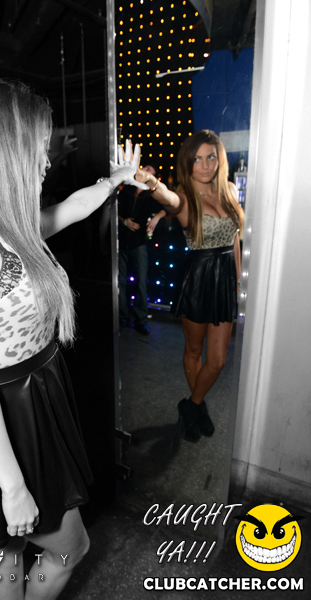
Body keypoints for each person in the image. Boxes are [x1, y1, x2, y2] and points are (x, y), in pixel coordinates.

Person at [0, 77, 148, 600]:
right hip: (3, 411)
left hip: (37, 395)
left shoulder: (4, 218)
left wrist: (115, 181)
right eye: (38, 147)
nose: (46, 160)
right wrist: (13, 485)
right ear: (0, 147)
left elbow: (72, 208)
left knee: (7, 550)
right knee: (67, 548)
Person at [134, 130, 244, 442]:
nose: (205, 165)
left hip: (224, 283)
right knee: (194, 350)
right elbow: (167, 197)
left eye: (211, 157)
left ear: (220, 160)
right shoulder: (184, 199)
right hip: (197, 280)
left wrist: (237, 282)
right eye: (197, 159)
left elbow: (235, 240)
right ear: (187, 163)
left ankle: (192, 405)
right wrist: (151, 182)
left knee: (218, 360)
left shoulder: (230, 190)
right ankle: (199, 407)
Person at [118, 164, 166, 335]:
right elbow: (114, 210)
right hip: (121, 242)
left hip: (139, 243)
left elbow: (168, 207)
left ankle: (141, 321)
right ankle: (122, 319)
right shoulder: (127, 190)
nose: (145, 171)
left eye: (149, 171)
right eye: (145, 168)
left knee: (140, 283)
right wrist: (124, 221)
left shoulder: (152, 194)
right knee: (121, 283)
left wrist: (157, 218)